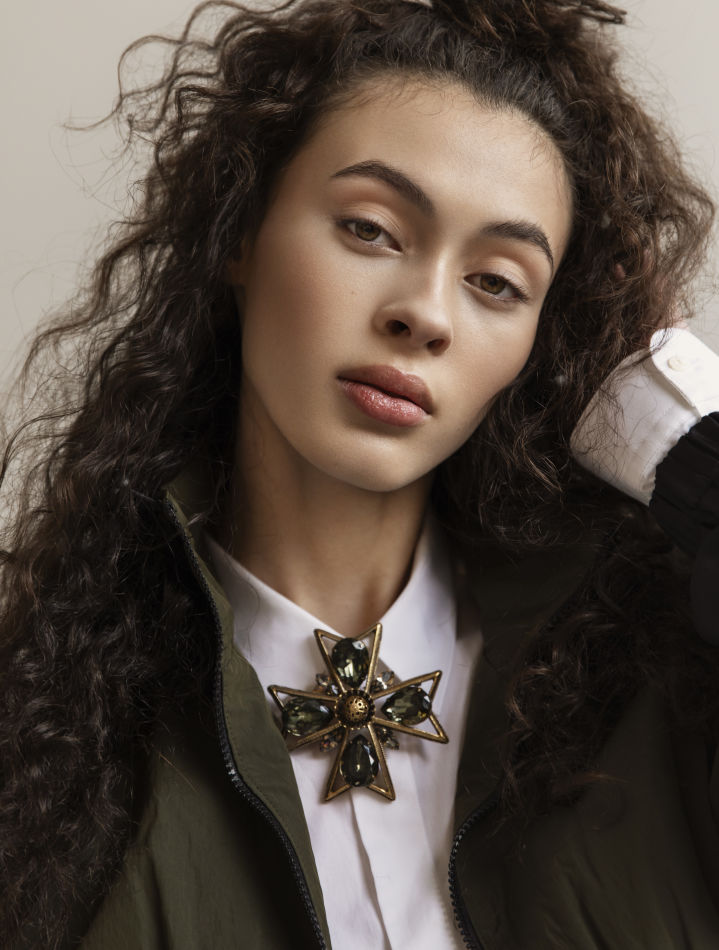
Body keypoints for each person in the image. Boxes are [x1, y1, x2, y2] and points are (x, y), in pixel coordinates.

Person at [2, 0, 719, 946]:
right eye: (371, 229)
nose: (426, 314)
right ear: (240, 232)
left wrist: (678, 432)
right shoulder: (44, 735)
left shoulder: (659, 680)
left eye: (496, 282)